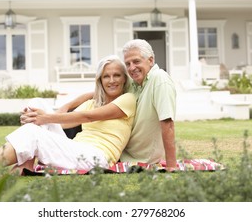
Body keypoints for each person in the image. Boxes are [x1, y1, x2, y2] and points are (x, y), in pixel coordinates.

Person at [0, 55, 136, 180]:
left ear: (124, 79)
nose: (112, 80)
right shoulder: (94, 101)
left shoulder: (127, 100)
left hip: (97, 157)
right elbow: (68, 120)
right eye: (106, 76)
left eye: (117, 75)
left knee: (33, 132)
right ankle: (25, 165)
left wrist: (44, 119)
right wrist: (55, 110)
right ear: (100, 80)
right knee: (36, 103)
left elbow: (87, 117)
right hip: (77, 148)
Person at [51, 39, 177, 170]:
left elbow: (168, 124)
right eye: (128, 64)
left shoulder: (159, 79)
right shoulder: (135, 84)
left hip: (142, 158)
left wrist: (172, 167)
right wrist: (67, 106)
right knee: (73, 121)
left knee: (76, 121)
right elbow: (98, 92)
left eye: (136, 61)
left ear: (150, 60)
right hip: (122, 153)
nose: (132, 67)